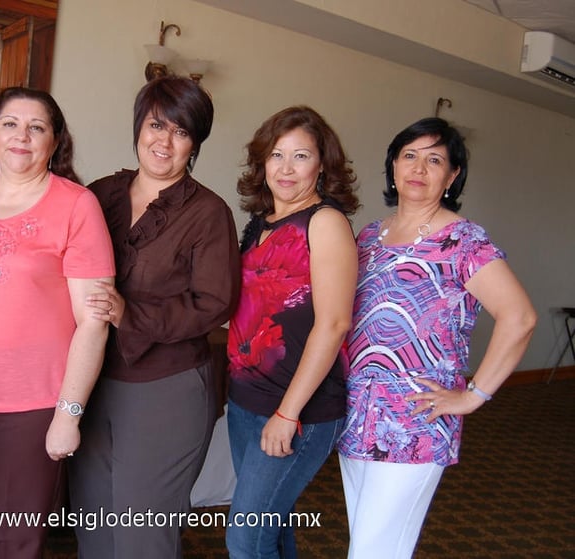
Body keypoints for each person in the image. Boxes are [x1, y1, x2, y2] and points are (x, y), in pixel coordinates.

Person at [337, 117, 537, 558]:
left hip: (416, 420)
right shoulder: (370, 236)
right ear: (392, 165)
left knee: (375, 552)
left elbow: (519, 316)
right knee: (370, 543)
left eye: (434, 160)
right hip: (357, 412)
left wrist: (473, 395)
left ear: (452, 176)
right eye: (409, 155)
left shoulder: (464, 241)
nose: (419, 168)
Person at [0, 86, 115, 559]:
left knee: (13, 540)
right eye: (10, 124)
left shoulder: (77, 205)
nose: (22, 136)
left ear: (55, 142)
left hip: (33, 406)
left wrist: (68, 414)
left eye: (38, 127)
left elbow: (93, 322)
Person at [68, 76, 241, 559]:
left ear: (195, 143)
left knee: (142, 531)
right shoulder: (101, 193)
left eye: (181, 132)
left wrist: (130, 312)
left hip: (165, 386)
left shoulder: (208, 212)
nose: (164, 141)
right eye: (156, 125)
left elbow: (215, 302)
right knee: (93, 518)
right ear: (139, 127)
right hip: (93, 378)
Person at [225, 106, 359, 558]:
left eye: (300, 156)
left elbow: (335, 322)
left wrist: (288, 413)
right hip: (247, 401)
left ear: (322, 165)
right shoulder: (260, 225)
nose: (286, 168)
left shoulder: (324, 223)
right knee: (272, 530)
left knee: (245, 539)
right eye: (276, 155)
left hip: (298, 409)